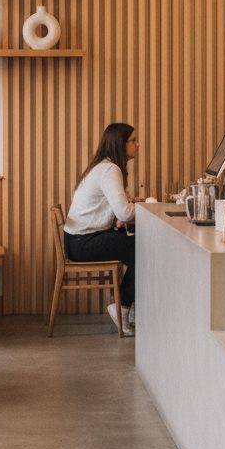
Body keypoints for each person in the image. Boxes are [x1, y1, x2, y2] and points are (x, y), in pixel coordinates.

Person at [63, 122, 139, 335]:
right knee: (143, 250)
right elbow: (125, 213)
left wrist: (123, 215)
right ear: (120, 144)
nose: (138, 145)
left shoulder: (103, 167)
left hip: (77, 240)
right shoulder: (110, 170)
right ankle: (123, 308)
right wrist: (148, 208)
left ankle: (130, 306)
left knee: (136, 243)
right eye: (133, 140)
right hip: (82, 243)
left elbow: (117, 212)